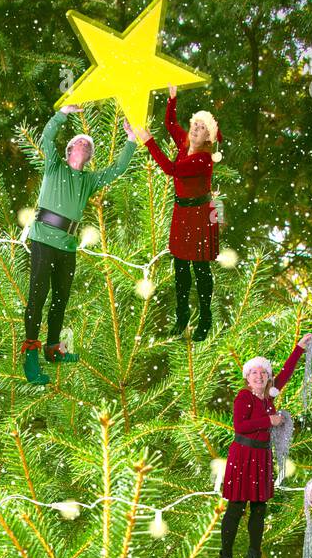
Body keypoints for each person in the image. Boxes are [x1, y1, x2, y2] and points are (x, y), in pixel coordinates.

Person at [22, 105, 137, 383]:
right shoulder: (54, 165)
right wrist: (63, 113)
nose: (84, 143)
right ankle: (30, 357)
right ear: (69, 151)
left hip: (67, 247)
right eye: (79, 141)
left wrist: (132, 140)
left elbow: (118, 168)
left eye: (89, 144)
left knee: (60, 299)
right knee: (38, 297)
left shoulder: (89, 181)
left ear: (88, 157)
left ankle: (53, 350)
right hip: (43, 240)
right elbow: (47, 138)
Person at [219, 336, 312, 558]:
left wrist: (299, 349)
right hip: (243, 456)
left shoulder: (269, 396)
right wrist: (268, 421)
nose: (259, 376)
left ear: (268, 377)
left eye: (263, 372)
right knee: (236, 508)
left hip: (261, 457)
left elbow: (286, 373)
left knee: (259, 511)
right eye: (254, 373)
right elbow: (240, 426)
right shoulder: (244, 397)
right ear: (247, 378)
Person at [134, 85, 223, 341]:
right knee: (181, 269)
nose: (195, 129)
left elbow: (171, 169)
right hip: (182, 214)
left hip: (199, 215)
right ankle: (182, 314)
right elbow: (171, 123)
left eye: (201, 128)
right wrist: (172, 98)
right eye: (194, 124)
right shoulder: (186, 145)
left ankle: (205, 318)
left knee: (201, 270)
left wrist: (148, 141)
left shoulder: (203, 158)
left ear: (209, 137)